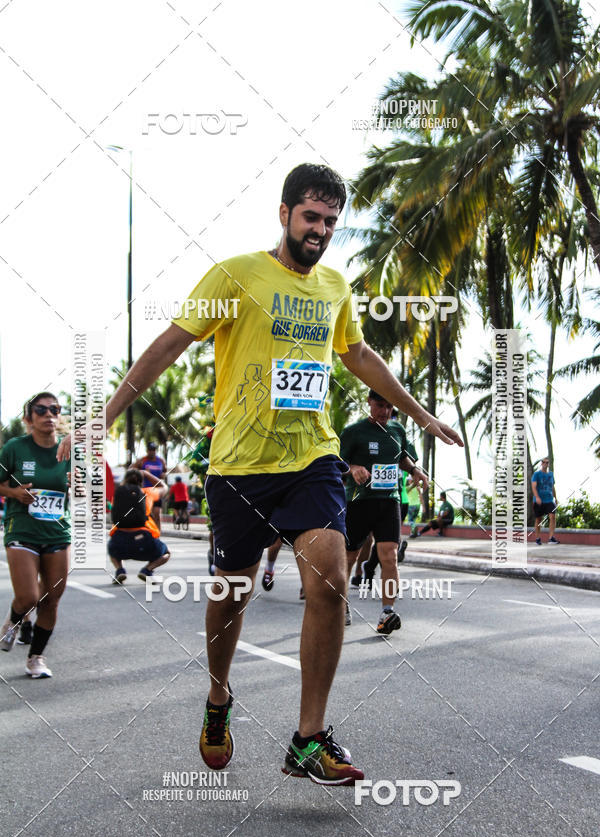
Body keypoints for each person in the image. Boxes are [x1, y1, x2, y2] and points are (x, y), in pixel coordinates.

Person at [58, 162, 462, 785]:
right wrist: (101, 418)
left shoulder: (334, 288)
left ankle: (308, 738)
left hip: (312, 461)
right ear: (284, 214)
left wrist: (423, 416)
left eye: (331, 221)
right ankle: (219, 695)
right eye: (310, 217)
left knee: (329, 578)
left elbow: (358, 355)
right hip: (240, 470)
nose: (321, 230)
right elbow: (169, 344)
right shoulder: (236, 275)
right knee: (231, 596)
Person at [340, 390, 428, 634]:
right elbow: (337, 463)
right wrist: (353, 467)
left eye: (389, 407)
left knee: (389, 555)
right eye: (380, 405)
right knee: (349, 557)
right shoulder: (353, 432)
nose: (385, 412)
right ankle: (341, 604)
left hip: (389, 501)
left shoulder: (397, 431)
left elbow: (403, 459)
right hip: (359, 502)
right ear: (369, 402)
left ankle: (387, 613)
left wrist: (414, 471)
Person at [0, 393, 71, 678]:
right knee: (29, 596)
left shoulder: (69, 449)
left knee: (52, 597)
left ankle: (35, 658)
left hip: (56, 531)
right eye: (40, 410)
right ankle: (13, 622)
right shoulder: (16, 448)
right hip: (22, 528)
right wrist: (14, 493)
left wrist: (78, 484)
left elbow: (80, 489)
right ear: (29, 418)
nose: (48, 414)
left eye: (54, 408)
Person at [108, 468, 170, 583]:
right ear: (141, 481)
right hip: (143, 540)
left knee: (111, 548)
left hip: (119, 541)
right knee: (166, 553)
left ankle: (120, 570)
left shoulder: (117, 495)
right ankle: (147, 570)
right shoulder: (147, 492)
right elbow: (164, 487)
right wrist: (147, 474)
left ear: (125, 480)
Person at [135, 442, 167, 532]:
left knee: (157, 513)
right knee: (148, 514)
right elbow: (132, 470)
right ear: (147, 450)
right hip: (146, 491)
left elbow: (165, 471)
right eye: (150, 450)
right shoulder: (142, 460)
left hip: (157, 490)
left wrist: (163, 475)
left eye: (153, 450)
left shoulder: (161, 461)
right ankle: (149, 532)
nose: (152, 452)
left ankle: (158, 534)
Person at [532, 457, 559, 545]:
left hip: (549, 500)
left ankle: (551, 538)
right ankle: (538, 538)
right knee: (538, 519)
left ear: (548, 464)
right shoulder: (537, 474)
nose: (545, 464)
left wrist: (555, 497)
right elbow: (534, 486)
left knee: (552, 516)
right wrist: (537, 497)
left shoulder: (551, 474)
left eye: (547, 462)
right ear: (541, 463)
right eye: (544, 462)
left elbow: (552, 487)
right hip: (539, 500)